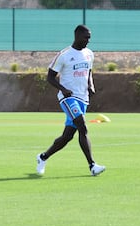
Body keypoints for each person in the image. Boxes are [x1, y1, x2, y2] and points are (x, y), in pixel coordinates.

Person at [36, 25, 105, 176]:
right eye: (86, 37)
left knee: (67, 136)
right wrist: (63, 89)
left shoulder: (89, 54)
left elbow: (89, 72)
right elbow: (50, 77)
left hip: (83, 98)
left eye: (89, 38)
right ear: (77, 36)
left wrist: (91, 85)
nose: (88, 40)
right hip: (68, 98)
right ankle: (92, 165)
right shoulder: (64, 55)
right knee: (82, 125)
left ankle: (43, 157)